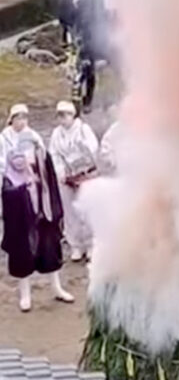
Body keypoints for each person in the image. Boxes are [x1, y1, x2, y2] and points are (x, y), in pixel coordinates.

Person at [1, 137, 74, 312]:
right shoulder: (10, 177)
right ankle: (25, 294)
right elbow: (7, 196)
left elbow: (52, 190)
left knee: (50, 250)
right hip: (22, 223)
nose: (25, 165)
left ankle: (56, 288)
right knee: (22, 256)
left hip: (44, 215)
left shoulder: (42, 172)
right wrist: (22, 189)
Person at [49, 100, 99, 262]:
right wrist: (61, 172)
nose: (62, 119)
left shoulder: (83, 130)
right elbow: (54, 154)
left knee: (87, 211)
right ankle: (76, 245)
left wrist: (82, 148)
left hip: (85, 174)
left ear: (72, 115)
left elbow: (93, 151)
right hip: (67, 177)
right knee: (70, 213)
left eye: (65, 115)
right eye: (60, 116)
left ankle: (91, 244)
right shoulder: (57, 133)